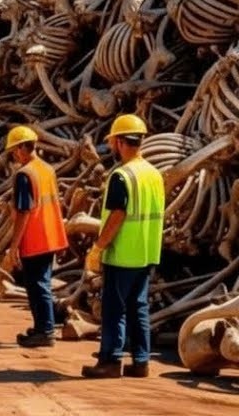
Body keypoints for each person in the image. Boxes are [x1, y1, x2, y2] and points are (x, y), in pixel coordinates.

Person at [81, 114, 164, 379]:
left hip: (123, 254)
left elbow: (117, 215)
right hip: (147, 253)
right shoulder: (153, 174)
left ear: (118, 142)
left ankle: (110, 360)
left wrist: (98, 248)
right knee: (139, 307)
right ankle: (141, 362)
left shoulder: (121, 175)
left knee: (114, 309)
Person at [0, 125, 69, 348]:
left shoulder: (25, 175)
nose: (13, 156)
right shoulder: (47, 169)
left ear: (22, 148)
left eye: (14, 151)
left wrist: (14, 246)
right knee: (41, 284)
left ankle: (45, 331)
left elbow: (24, 212)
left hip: (35, 239)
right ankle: (41, 327)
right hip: (50, 236)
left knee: (37, 286)